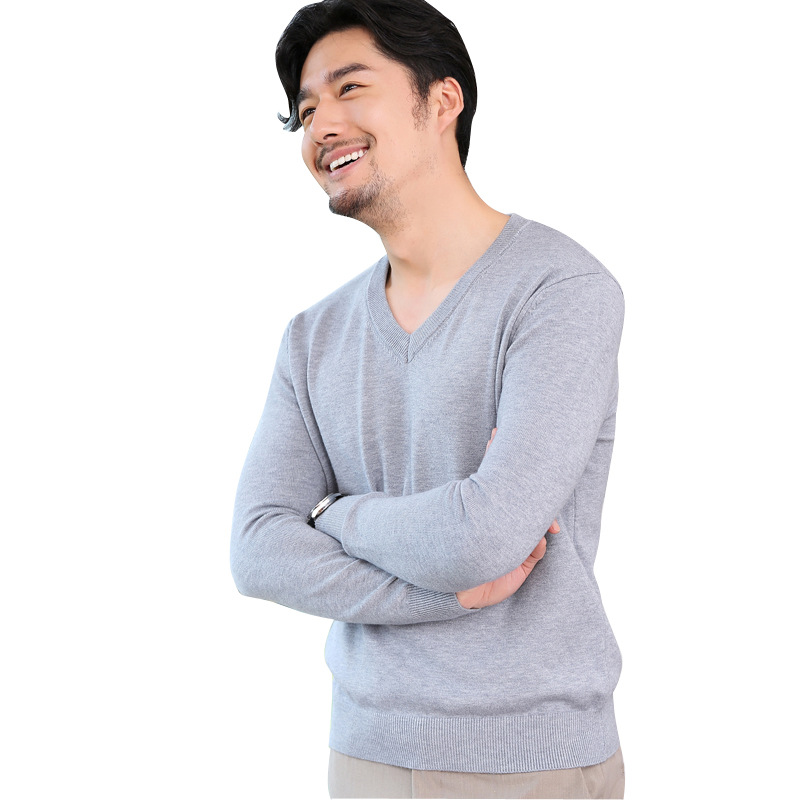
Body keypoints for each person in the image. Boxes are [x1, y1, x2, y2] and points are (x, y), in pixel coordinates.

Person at [231, 0, 626, 796]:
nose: (321, 126)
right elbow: (257, 549)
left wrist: (334, 515)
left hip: (531, 762)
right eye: (306, 110)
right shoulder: (313, 337)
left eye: (350, 88)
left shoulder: (560, 291)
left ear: (443, 101)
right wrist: (442, 583)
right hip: (364, 754)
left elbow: (482, 538)